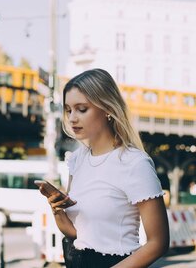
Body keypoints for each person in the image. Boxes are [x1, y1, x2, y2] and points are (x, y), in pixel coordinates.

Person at [39, 68, 169, 268]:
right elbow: (76, 233)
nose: (72, 118)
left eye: (81, 109)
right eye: (68, 110)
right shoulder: (77, 159)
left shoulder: (135, 163)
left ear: (107, 108)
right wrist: (56, 209)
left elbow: (158, 243)